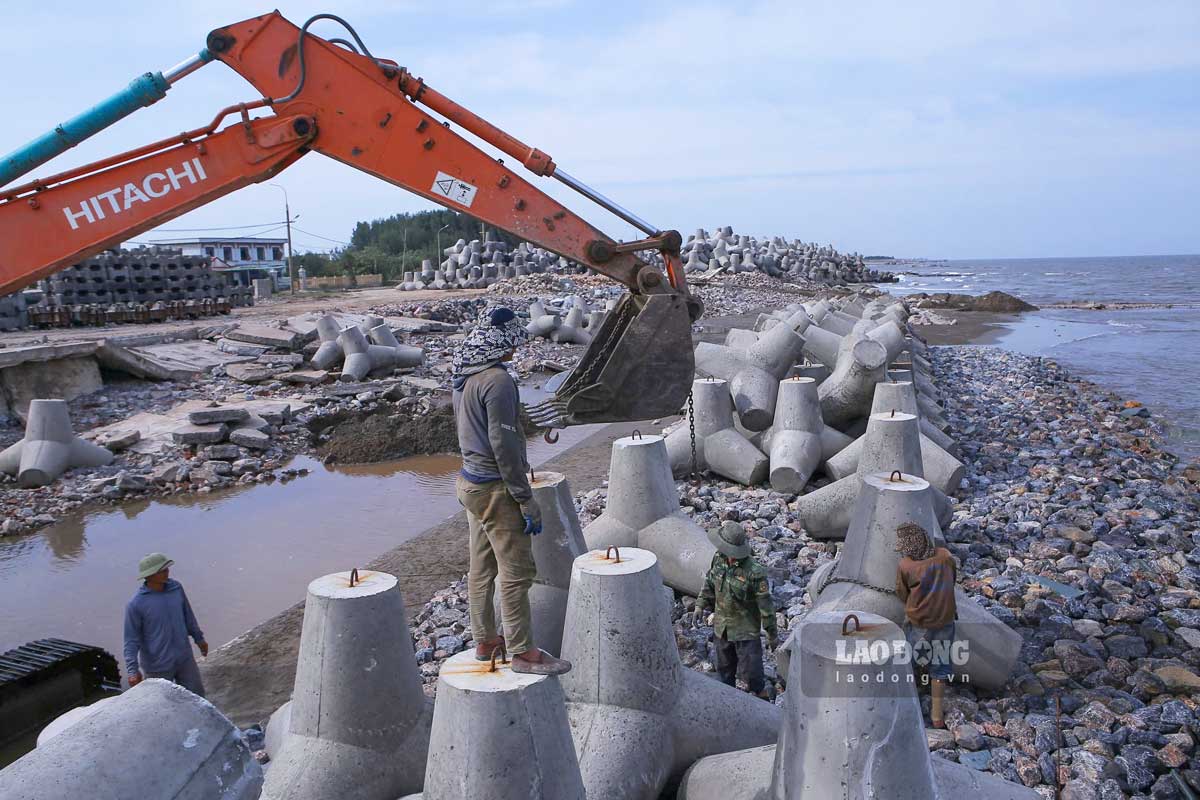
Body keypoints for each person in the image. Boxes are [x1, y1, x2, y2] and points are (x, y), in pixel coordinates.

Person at [452, 307, 570, 676]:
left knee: (481, 568)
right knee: (518, 572)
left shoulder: (465, 376)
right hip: (495, 490)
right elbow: (502, 441)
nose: (517, 349)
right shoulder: (498, 381)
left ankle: (485, 641)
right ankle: (522, 652)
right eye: (514, 341)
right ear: (502, 342)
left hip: (470, 483)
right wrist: (524, 497)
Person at [693, 521, 777, 699]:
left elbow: (766, 606)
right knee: (724, 670)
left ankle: (764, 705)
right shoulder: (718, 559)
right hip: (721, 629)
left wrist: (772, 634)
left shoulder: (754, 572)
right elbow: (709, 582)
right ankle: (727, 703)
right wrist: (700, 604)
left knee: (753, 673)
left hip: (745, 633)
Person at [894, 522, 958, 728]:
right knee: (940, 664)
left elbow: (902, 593)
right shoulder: (945, 556)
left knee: (908, 660)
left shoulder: (906, 565)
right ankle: (937, 715)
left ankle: (905, 705)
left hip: (918, 621)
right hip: (945, 619)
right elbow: (952, 580)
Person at [123, 552, 208, 696]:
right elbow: (131, 640)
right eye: (161, 570)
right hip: (157, 666)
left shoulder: (176, 588)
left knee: (197, 696)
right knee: (162, 704)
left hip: (184, 658)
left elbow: (188, 616)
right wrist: (132, 670)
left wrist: (199, 639)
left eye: (166, 569)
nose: (167, 572)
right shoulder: (136, 604)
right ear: (149, 575)